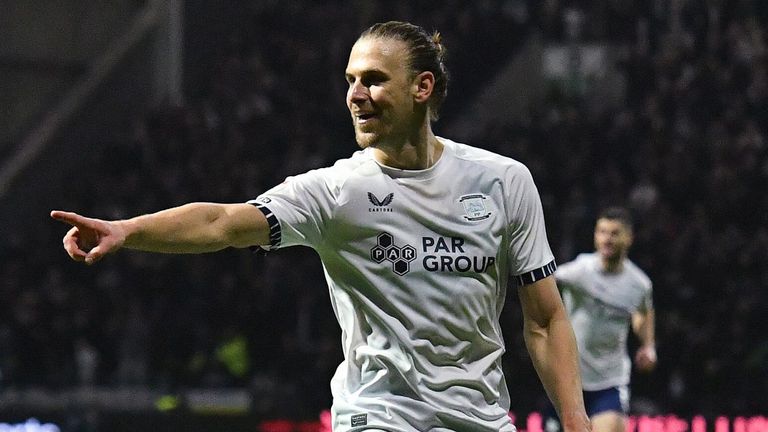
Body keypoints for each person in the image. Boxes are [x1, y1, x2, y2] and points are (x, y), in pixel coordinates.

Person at [52, 21, 590, 432]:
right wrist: (128, 230)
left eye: (375, 81)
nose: (356, 95)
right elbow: (222, 222)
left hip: (482, 420)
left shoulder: (503, 181)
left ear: (423, 87)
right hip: (381, 417)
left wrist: (576, 422)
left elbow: (543, 320)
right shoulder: (338, 193)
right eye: (351, 80)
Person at [545, 207, 656, 432]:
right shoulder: (580, 271)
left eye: (614, 233)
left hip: (610, 381)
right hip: (570, 381)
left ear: (629, 238)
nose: (607, 239)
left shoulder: (639, 284)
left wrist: (648, 345)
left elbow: (644, 312)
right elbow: (542, 282)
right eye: (602, 232)